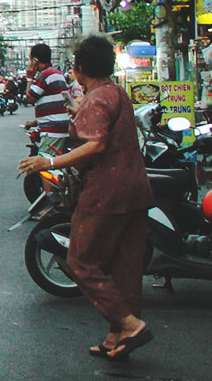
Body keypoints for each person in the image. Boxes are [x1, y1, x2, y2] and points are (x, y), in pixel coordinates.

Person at [19, 35, 152, 360]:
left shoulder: (97, 99)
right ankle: (116, 337)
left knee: (80, 260)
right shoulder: (114, 93)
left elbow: (95, 145)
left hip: (105, 192)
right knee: (125, 267)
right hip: (135, 188)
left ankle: (129, 323)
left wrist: (46, 161)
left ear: (79, 68)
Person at [25, 43, 71, 141]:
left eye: (31, 60)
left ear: (35, 60)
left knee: (45, 156)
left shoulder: (46, 75)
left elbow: (29, 98)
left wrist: (29, 77)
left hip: (52, 132)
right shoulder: (56, 73)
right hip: (60, 128)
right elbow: (53, 107)